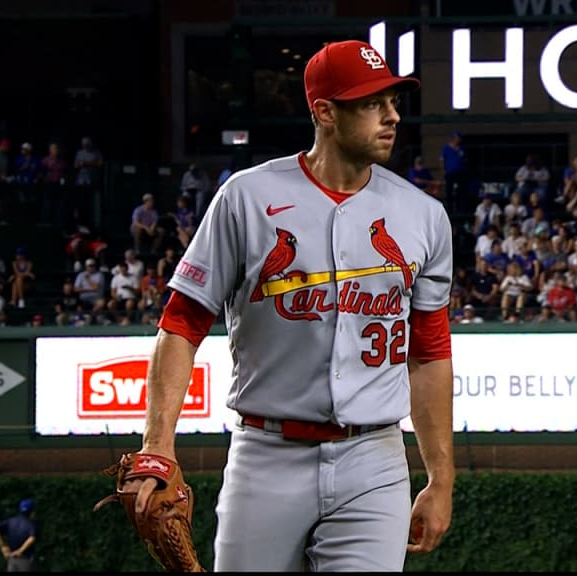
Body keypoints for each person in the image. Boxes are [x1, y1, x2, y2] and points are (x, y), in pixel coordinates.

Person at [125, 39, 455, 571]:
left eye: (393, 100)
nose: (392, 115)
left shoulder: (423, 215)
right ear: (324, 112)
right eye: (372, 103)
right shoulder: (246, 197)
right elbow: (181, 323)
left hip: (374, 458)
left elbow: (430, 351)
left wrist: (440, 478)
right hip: (266, 453)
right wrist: (157, 444)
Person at [0, 498, 38, 572]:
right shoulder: (31, 524)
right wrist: (20, 550)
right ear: (32, 512)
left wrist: (3, 546)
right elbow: (32, 538)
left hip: (11, 559)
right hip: (25, 560)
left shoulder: (11, 521)